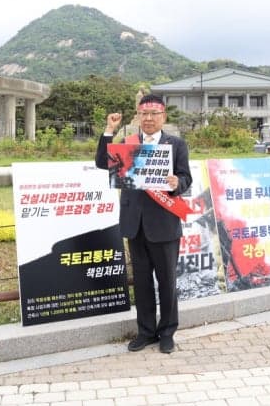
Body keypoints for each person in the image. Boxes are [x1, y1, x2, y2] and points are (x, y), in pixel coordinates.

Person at [95, 94, 192, 354]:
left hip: (164, 223)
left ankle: (168, 332)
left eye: (154, 113)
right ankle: (146, 331)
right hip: (134, 224)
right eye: (144, 113)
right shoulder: (128, 143)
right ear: (138, 116)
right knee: (142, 282)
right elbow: (101, 163)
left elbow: (186, 177)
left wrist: (176, 183)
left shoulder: (176, 145)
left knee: (167, 281)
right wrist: (108, 131)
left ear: (163, 117)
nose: (148, 118)